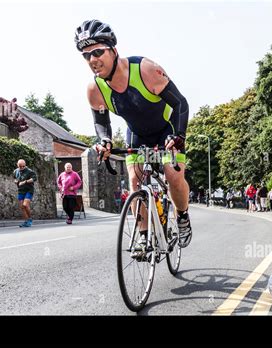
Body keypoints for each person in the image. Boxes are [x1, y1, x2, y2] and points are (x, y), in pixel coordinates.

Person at [75, 20, 192, 248]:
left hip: (167, 130)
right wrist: (105, 141)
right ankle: (143, 235)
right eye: (86, 55)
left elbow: (180, 104)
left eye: (98, 51)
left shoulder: (145, 69)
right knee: (135, 180)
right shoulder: (95, 89)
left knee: (173, 175)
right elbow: (101, 124)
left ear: (114, 51)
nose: (92, 60)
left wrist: (178, 135)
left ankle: (183, 215)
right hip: (137, 135)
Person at [13, 159, 37, 228]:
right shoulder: (15, 171)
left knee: (25, 205)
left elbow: (34, 179)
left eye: (24, 166)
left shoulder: (29, 171)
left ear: (25, 165)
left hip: (29, 190)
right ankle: (26, 221)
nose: (22, 168)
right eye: (21, 166)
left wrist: (25, 182)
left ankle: (30, 219)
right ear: (18, 165)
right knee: (22, 207)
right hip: (21, 190)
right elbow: (15, 178)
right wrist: (16, 181)